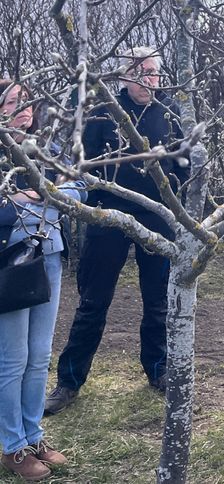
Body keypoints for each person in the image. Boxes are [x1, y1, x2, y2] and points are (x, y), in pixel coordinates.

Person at [45, 47, 187, 415]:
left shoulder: (169, 112)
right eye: (140, 72)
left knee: (157, 300)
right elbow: (82, 165)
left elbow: (184, 165)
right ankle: (69, 380)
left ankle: (158, 370)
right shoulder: (102, 112)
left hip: (155, 217)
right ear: (124, 77)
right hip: (108, 214)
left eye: (154, 72)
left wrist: (171, 192)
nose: (148, 80)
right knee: (93, 302)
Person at [0, 80, 85, 480]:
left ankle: (34, 436)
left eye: (27, 101)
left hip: (48, 261)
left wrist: (44, 192)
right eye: (13, 102)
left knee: (39, 357)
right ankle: (11, 447)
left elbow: (81, 185)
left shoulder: (47, 149)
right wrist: (19, 199)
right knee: (12, 360)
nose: (24, 109)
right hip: (9, 267)